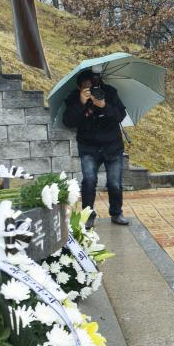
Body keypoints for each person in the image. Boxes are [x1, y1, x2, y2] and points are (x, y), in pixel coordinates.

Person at [62, 67, 131, 228]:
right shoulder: (74, 97)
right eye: (87, 88)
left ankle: (116, 213)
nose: (92, 90)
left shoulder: (110, 92)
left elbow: (120, 115)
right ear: (79, 88)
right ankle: (88, 215)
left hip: (112, 145)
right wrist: (81, 102)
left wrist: (104, 105)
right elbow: (68, 121)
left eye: (94, 86)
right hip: (88, 147)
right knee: (89, 181)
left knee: (114, 183)